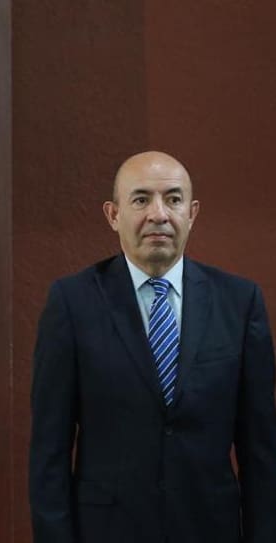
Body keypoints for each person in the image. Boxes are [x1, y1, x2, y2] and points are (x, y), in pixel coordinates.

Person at [29, 150, 276, 542]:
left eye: (173, 199)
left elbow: (261, 451)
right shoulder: (72, 303)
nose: (158, 215)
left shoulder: (239, 303)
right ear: (113, 215)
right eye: (141, 199)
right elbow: (49, 452)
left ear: (192, 213)